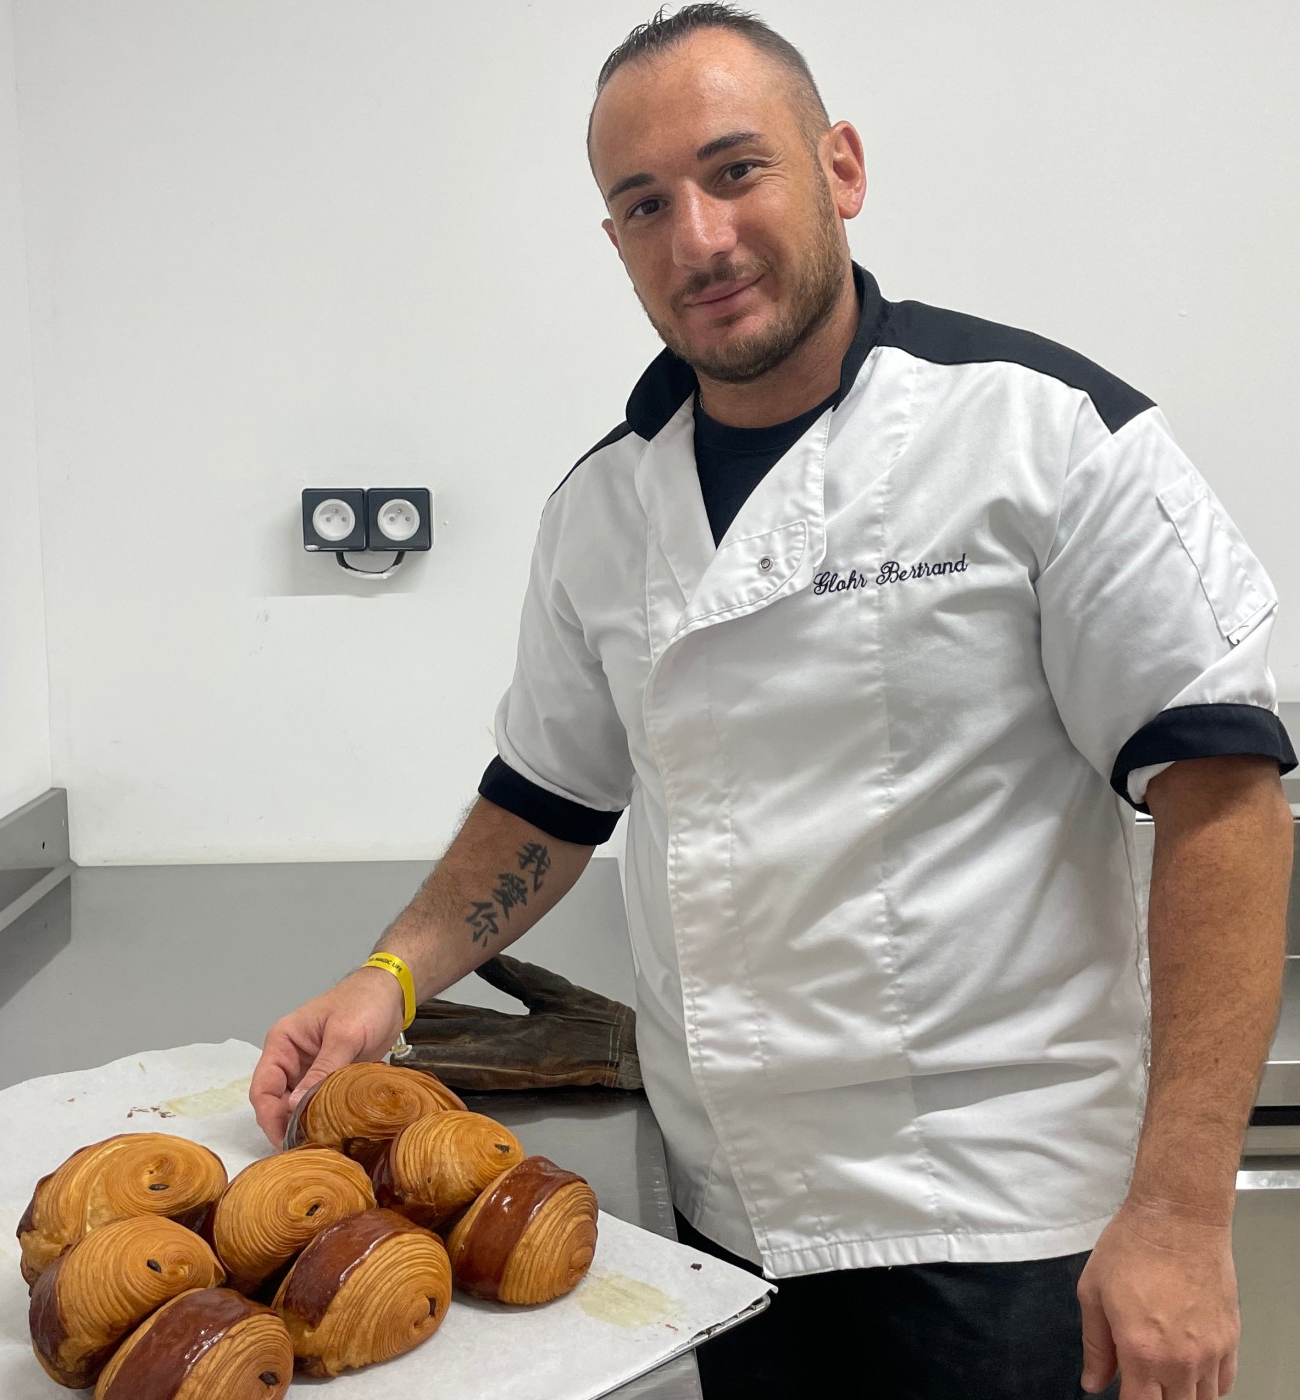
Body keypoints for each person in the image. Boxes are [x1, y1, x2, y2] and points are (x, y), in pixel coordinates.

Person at [250, 6, 1295, 1397]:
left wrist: (1178, 1212)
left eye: (736, 171)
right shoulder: (605, 509)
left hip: (1012, 1232)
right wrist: (388, 977)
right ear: (615, 242)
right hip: (733, 1229)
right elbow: (548, 799)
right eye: (643, 203)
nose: (698, 236)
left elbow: (1225, 798)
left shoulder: (1042, 437)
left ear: (840, 170)